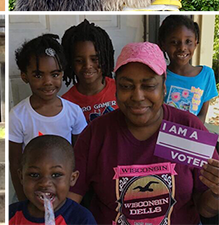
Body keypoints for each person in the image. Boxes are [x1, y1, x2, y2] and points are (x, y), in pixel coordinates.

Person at [71, 42, 219, 225]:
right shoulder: (97, 134)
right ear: (116, 89)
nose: (138, 96)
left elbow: (205, 209)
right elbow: (70, 201)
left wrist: (216, 192)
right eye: (126, 86)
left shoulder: (188, 128)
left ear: (164, 87)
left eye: (148, 86)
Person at [7, 35, 88, 202]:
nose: (48, 82)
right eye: (38, 75)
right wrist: (24, 203)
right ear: (24, 76)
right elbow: (14, 163)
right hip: (31, 193)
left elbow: (81, 157)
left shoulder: (74, 112)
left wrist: (72, 199)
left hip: (65, 193)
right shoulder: (18, 115)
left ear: (62, 73)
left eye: (55, 74)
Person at [7, 136, 97, 225]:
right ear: (21, 177)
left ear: (72, 178)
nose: (45, 183)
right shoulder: (9, 215)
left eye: (56, 175)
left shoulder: (81, 219)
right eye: (34, 175)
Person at [160, 14, 219, 117]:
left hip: (193, 128)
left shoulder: (206, 75)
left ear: (196, 43)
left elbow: (202, 116)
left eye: (188, 42)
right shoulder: (159, 76)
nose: (182, 48)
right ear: (163, 45)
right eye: (174, 42)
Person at [60, 19, 118, 122]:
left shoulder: (120, 90)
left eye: (94, 59)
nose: (87, 66)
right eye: (79, 61)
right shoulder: (65, 103)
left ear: (105, 58)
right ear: (70, 62)